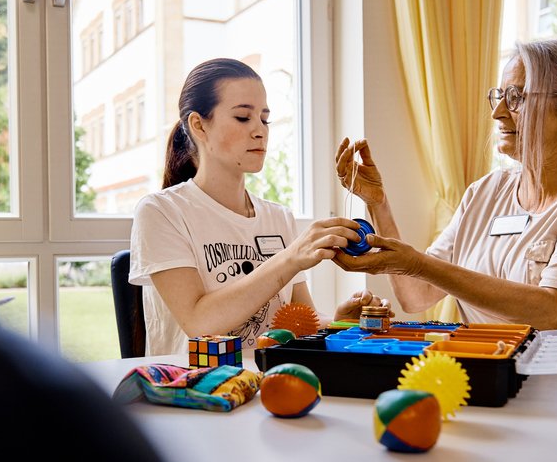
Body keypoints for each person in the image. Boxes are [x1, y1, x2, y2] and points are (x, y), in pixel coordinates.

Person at [333, 38, 557, 330]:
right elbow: (416, 294)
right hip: (496, 378)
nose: (498, 113)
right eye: (499, 96)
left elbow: (555, 312)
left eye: (518, 97)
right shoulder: (486, 192)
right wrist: (378, 203)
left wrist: (418, 263)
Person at [130, 58, 389, 355]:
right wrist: (292, 257)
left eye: (264, 119)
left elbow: (299, 326)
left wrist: (341, 323)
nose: (260, 131)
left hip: (270, 386)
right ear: (199, 125)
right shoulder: (161, 212)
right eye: (243, 118)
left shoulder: (279, 217)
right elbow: (199, 323)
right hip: (200, 391)